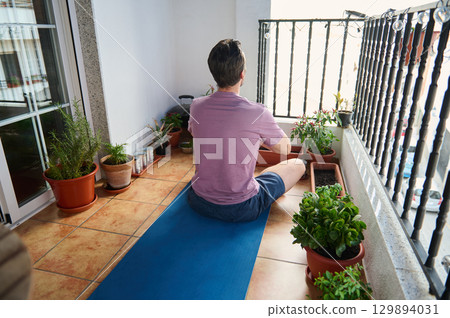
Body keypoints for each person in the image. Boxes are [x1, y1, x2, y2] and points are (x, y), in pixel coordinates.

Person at [187, 39, 305, 222]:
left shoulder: (196, 106)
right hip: (241, 209)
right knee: (298, 165)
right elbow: (285, 149)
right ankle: (254, 183)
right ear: (242, 75)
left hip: (198, 200)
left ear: (214, 74)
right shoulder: (258, 112)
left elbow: (198, 134)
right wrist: (259, 138)